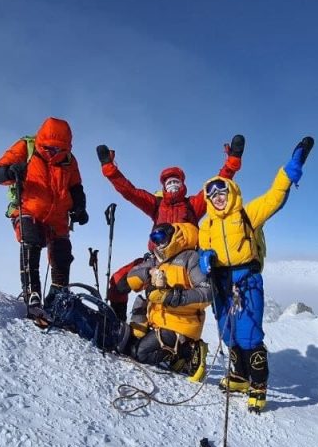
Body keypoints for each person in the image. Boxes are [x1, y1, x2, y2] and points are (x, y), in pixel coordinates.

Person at [199, 136, 314, 412]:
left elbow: (275, 197)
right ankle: (239, 376)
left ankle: (258, 383)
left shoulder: (248, 213)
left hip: (247, 280)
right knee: (228, 334)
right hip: (222, 284)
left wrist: (290, 169)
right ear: (207, 198)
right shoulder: (206, 225)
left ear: (231, 192)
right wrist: (205, 259)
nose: (218, 198)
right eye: (212, 195)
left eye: (222, 192)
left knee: (249, 334)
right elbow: (203, 249)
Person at [96, 135, 244, 321]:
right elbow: (130, 192)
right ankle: (117, 327)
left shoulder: (193, 205)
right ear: (164, 187)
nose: (173, 185)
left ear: (183, 185)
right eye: (169, 183)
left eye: (176, 182)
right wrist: (110, 169)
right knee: (118, 282)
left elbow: (216, 184)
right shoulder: (156, 205)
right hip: (156, 260)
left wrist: (232, 162)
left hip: (185, 263)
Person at [0, 117, 88, 315]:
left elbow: (76, 187)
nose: (54, 153)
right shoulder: (26, 147)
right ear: (42, 141)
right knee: (31, 241)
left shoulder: (69, 160)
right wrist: (10, 171)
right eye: (50, 148)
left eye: (59, 149)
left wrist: (80, 208)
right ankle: (32, 293)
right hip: (28, 209)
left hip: (59, 215)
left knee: (62, 255)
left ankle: (58, 298)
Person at [116, 222, 211, 381]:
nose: (158, 242)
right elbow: (133, 276)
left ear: (172, 235)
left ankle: (189, 350)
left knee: (139, 353)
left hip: (180, 323)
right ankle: (177, 357)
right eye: (154, 238)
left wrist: (172, 296)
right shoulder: (157, 259)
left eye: (161, 237)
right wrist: (148, 272)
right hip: (157, 320)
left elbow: (207, 293)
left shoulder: (190, 258)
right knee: (128, 343)